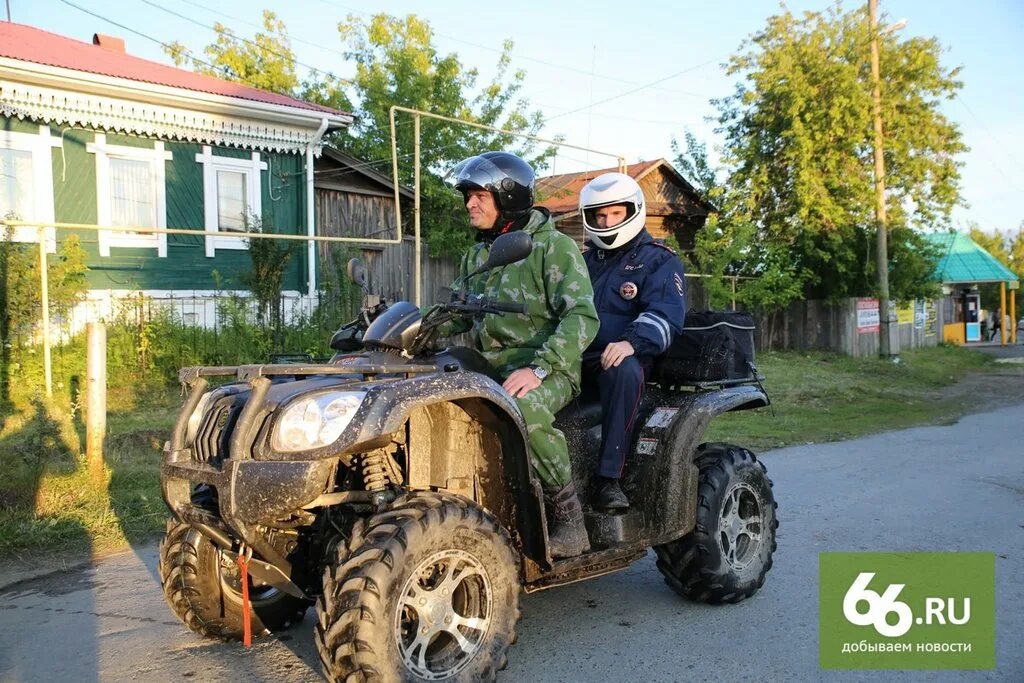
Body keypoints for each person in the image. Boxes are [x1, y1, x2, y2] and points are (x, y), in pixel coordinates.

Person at [446, 151, 600, 558]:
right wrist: (404, 330)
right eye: (468, 196)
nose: (470, 204)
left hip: (549, 368)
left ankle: (569, 518)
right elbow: (456, 313)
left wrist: (540, 367)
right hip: (489, 366)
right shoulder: (478, 254)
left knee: (523, 409)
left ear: (507, 196)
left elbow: (582, 317)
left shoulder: (554, 248)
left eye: (479, 195)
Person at [578, 172, 687, 510]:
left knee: (623, 369)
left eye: (615, 213)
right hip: (576, 353)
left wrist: (630, 342)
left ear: (632, 211)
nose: (606, 221)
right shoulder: (584, 261)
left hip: (622, 357)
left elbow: (666, 314)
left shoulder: (659, 260)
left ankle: (609, 480)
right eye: (600, 215)